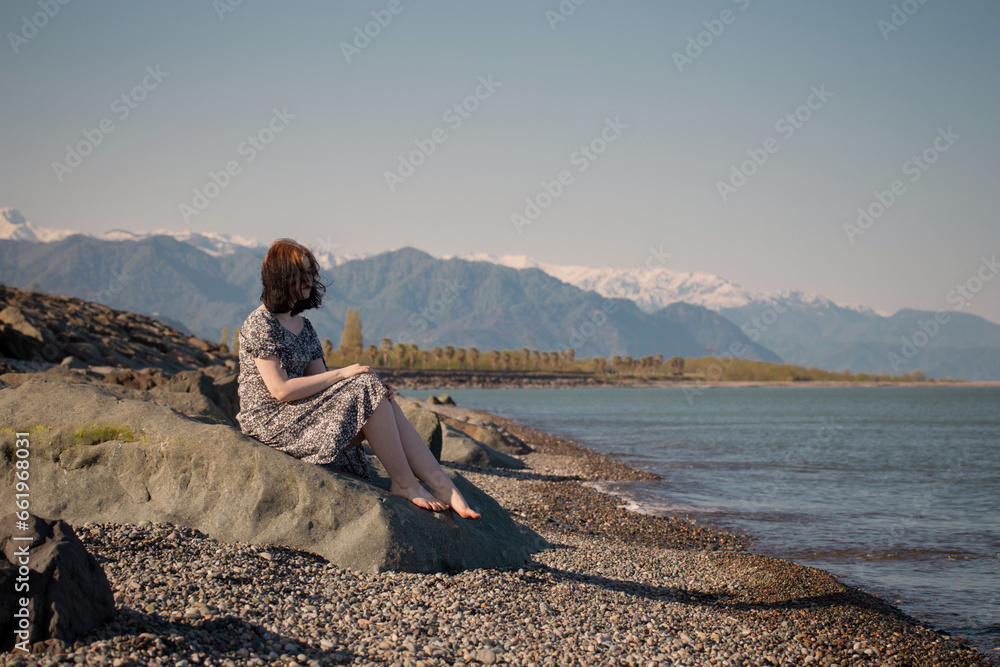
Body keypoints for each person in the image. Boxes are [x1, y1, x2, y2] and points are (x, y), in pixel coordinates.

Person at [235, 238, 480, 519]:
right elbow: (280, 390)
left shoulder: (304, 326)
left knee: (376, 392)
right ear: (280, 277)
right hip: (271, 422)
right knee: (363, 385)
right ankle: (404, 482)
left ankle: (441, 484)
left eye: (310, 273)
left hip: (299, 413)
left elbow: (322, 385)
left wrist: (373, 390)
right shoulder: (260, 323)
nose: (309, 280)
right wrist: (344, 373)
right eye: (300, 274)